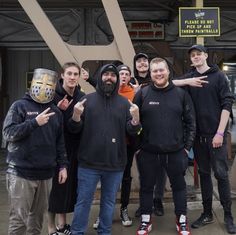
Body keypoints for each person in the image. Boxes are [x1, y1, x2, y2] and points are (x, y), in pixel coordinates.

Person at [68, 64, 141, 235]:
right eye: (105, 74)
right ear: (100, 77)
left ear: (117, 79)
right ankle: (77, 232)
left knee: (108, 202)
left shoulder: (125, 103)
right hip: (88, 164)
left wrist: (136, 118)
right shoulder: (87, 100)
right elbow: (73, 129)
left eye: (112, 75)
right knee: (83, 202)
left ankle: (105, 232)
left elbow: (133, 131)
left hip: (115, 164)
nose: (109, 78)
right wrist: (76, 115)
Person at [177, 44, 236, 234]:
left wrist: (220, 133)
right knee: (204, 175)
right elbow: (169, 83)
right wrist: (187, 82)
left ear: (205, 56)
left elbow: (227, 104)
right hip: (197, 137)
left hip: (215, 135)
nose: (195, 57)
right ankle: (207, 212)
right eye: (192, 55)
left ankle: (228, 215)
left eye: (198, 54)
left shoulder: (218, 76)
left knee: (221, 175)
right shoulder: (188, 77)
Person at [133, 57, 196, 235]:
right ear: (151, 74)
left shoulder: (181, 94)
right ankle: (146, 219)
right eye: (155, 71)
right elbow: (132, 122)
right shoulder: (142, 94)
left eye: (162, 70)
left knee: (179, 187)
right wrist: (138, 148)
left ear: (168, 71)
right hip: (148, 153)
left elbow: (191, 123)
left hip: (176, 152)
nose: (159, 73)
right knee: (146, 187)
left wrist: (186, 148)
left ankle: (181, 219)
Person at [2, 68, 68, 235]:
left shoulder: (56, 112)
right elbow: (8, 133)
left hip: (46, 175)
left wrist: (62, 166)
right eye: (40, 83)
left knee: (37, 221)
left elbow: (59, 142)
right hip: (21, 172)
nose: (44, 87)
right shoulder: (19, 106)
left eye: (49, 85)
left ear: (54, 87)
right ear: (32, 84)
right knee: (19, 220)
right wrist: (34, 123)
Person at [48, 62, 85, 235]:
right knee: (55, 188)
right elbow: (46, 123)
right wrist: (58, 110)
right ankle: (50, 227)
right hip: (54, 149)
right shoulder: (52, 95)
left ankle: (62, 225)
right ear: (62, 75)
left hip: (74, 149)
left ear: (79, 77)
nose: (72, 77)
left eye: (75, 74)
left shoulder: (81, 96)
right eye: (69, 73)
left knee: (66, 187)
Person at [133, 52, 167, 218]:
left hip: (161, 135)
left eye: (144, 60)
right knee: (144, 174)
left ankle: (158, 200)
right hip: (143, 137)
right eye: (138, 61)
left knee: (160, 172)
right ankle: (144, 204)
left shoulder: (159, 80)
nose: (142, 63)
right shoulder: (132, 82)